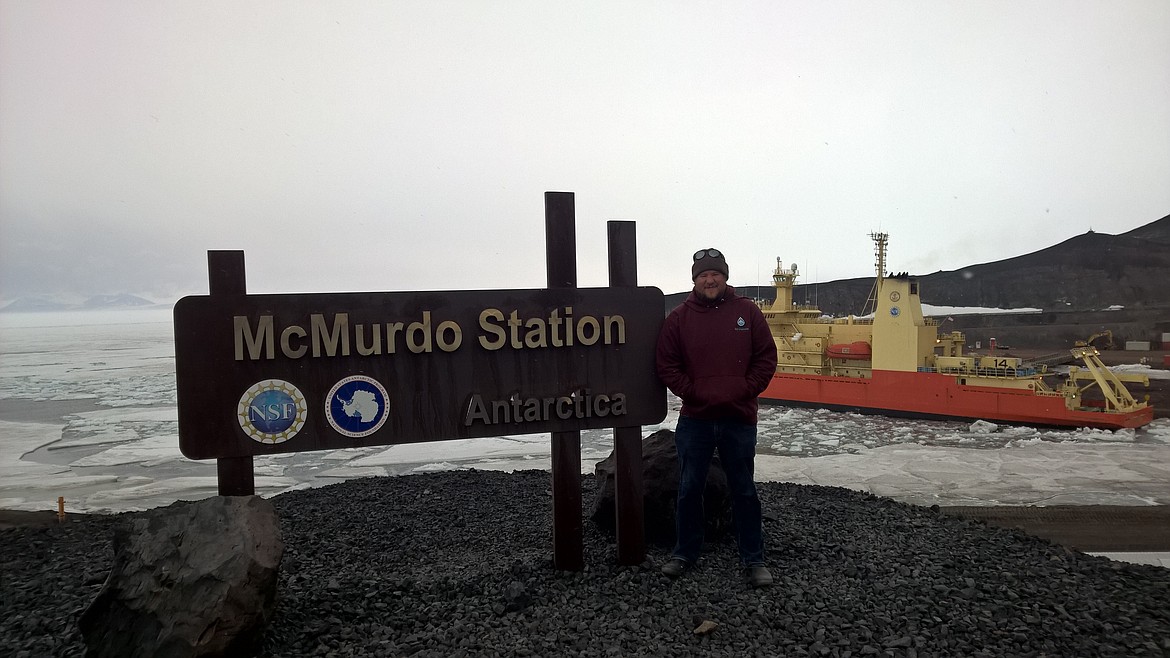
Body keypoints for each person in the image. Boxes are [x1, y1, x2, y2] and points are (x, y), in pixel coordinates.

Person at [654, 247, 778, 588]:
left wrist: (745, 389)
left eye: (715, 273)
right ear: (695, 279)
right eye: (703, 275)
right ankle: (684, 553)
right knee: (689, 487)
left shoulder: (747, 312)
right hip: (696, 418)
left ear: (725, 276)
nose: (710, 279)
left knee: (744, 489)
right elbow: (666, 364)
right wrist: (693, 393)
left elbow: (766, 358)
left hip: (739, 418)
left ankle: (754, 559)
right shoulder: (679, 318)